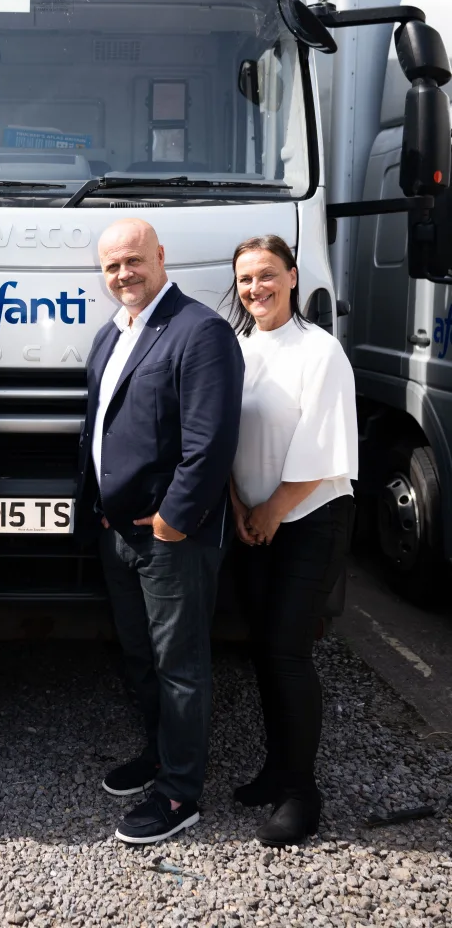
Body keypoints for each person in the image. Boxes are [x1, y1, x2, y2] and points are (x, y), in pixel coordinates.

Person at [75, 218, 244, 845]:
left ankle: (179, 794)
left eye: (134, 260)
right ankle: (158, 755)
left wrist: (176, 518)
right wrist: (93, 504)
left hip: (170, 536)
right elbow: (100, 426)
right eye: (113, 265)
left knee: (180, 664)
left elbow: (210, 442)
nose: (124, 273)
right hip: (117, 530)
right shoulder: (110, 333)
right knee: (141, 656)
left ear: (161, 256)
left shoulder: (201, 332)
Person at [227, 234, 357, 848]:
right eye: (247, 278)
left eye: (267, 275)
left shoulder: (320, 349)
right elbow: (221, 435)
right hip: (253, 518)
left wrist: (274, 509)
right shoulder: (237, 347)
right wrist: (240, 507)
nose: (256, 288)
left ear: (293, 277)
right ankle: (275, 770)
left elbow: (321, 442)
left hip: (310, 519)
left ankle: (302, 793)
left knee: (288, 652)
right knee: (261, 648)